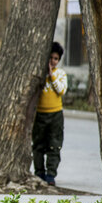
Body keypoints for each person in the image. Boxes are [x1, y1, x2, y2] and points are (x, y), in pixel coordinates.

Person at [32, 42, 67, 186]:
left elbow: (61, 90)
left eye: (56, 59)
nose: (52, 61)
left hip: (55, 115)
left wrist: (52, 75)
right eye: (50, 58)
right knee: (38, 144)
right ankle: (39, 172)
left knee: (54, 145)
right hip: (39, 114)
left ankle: (51, 174)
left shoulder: (60, 74)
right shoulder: (39, 74)